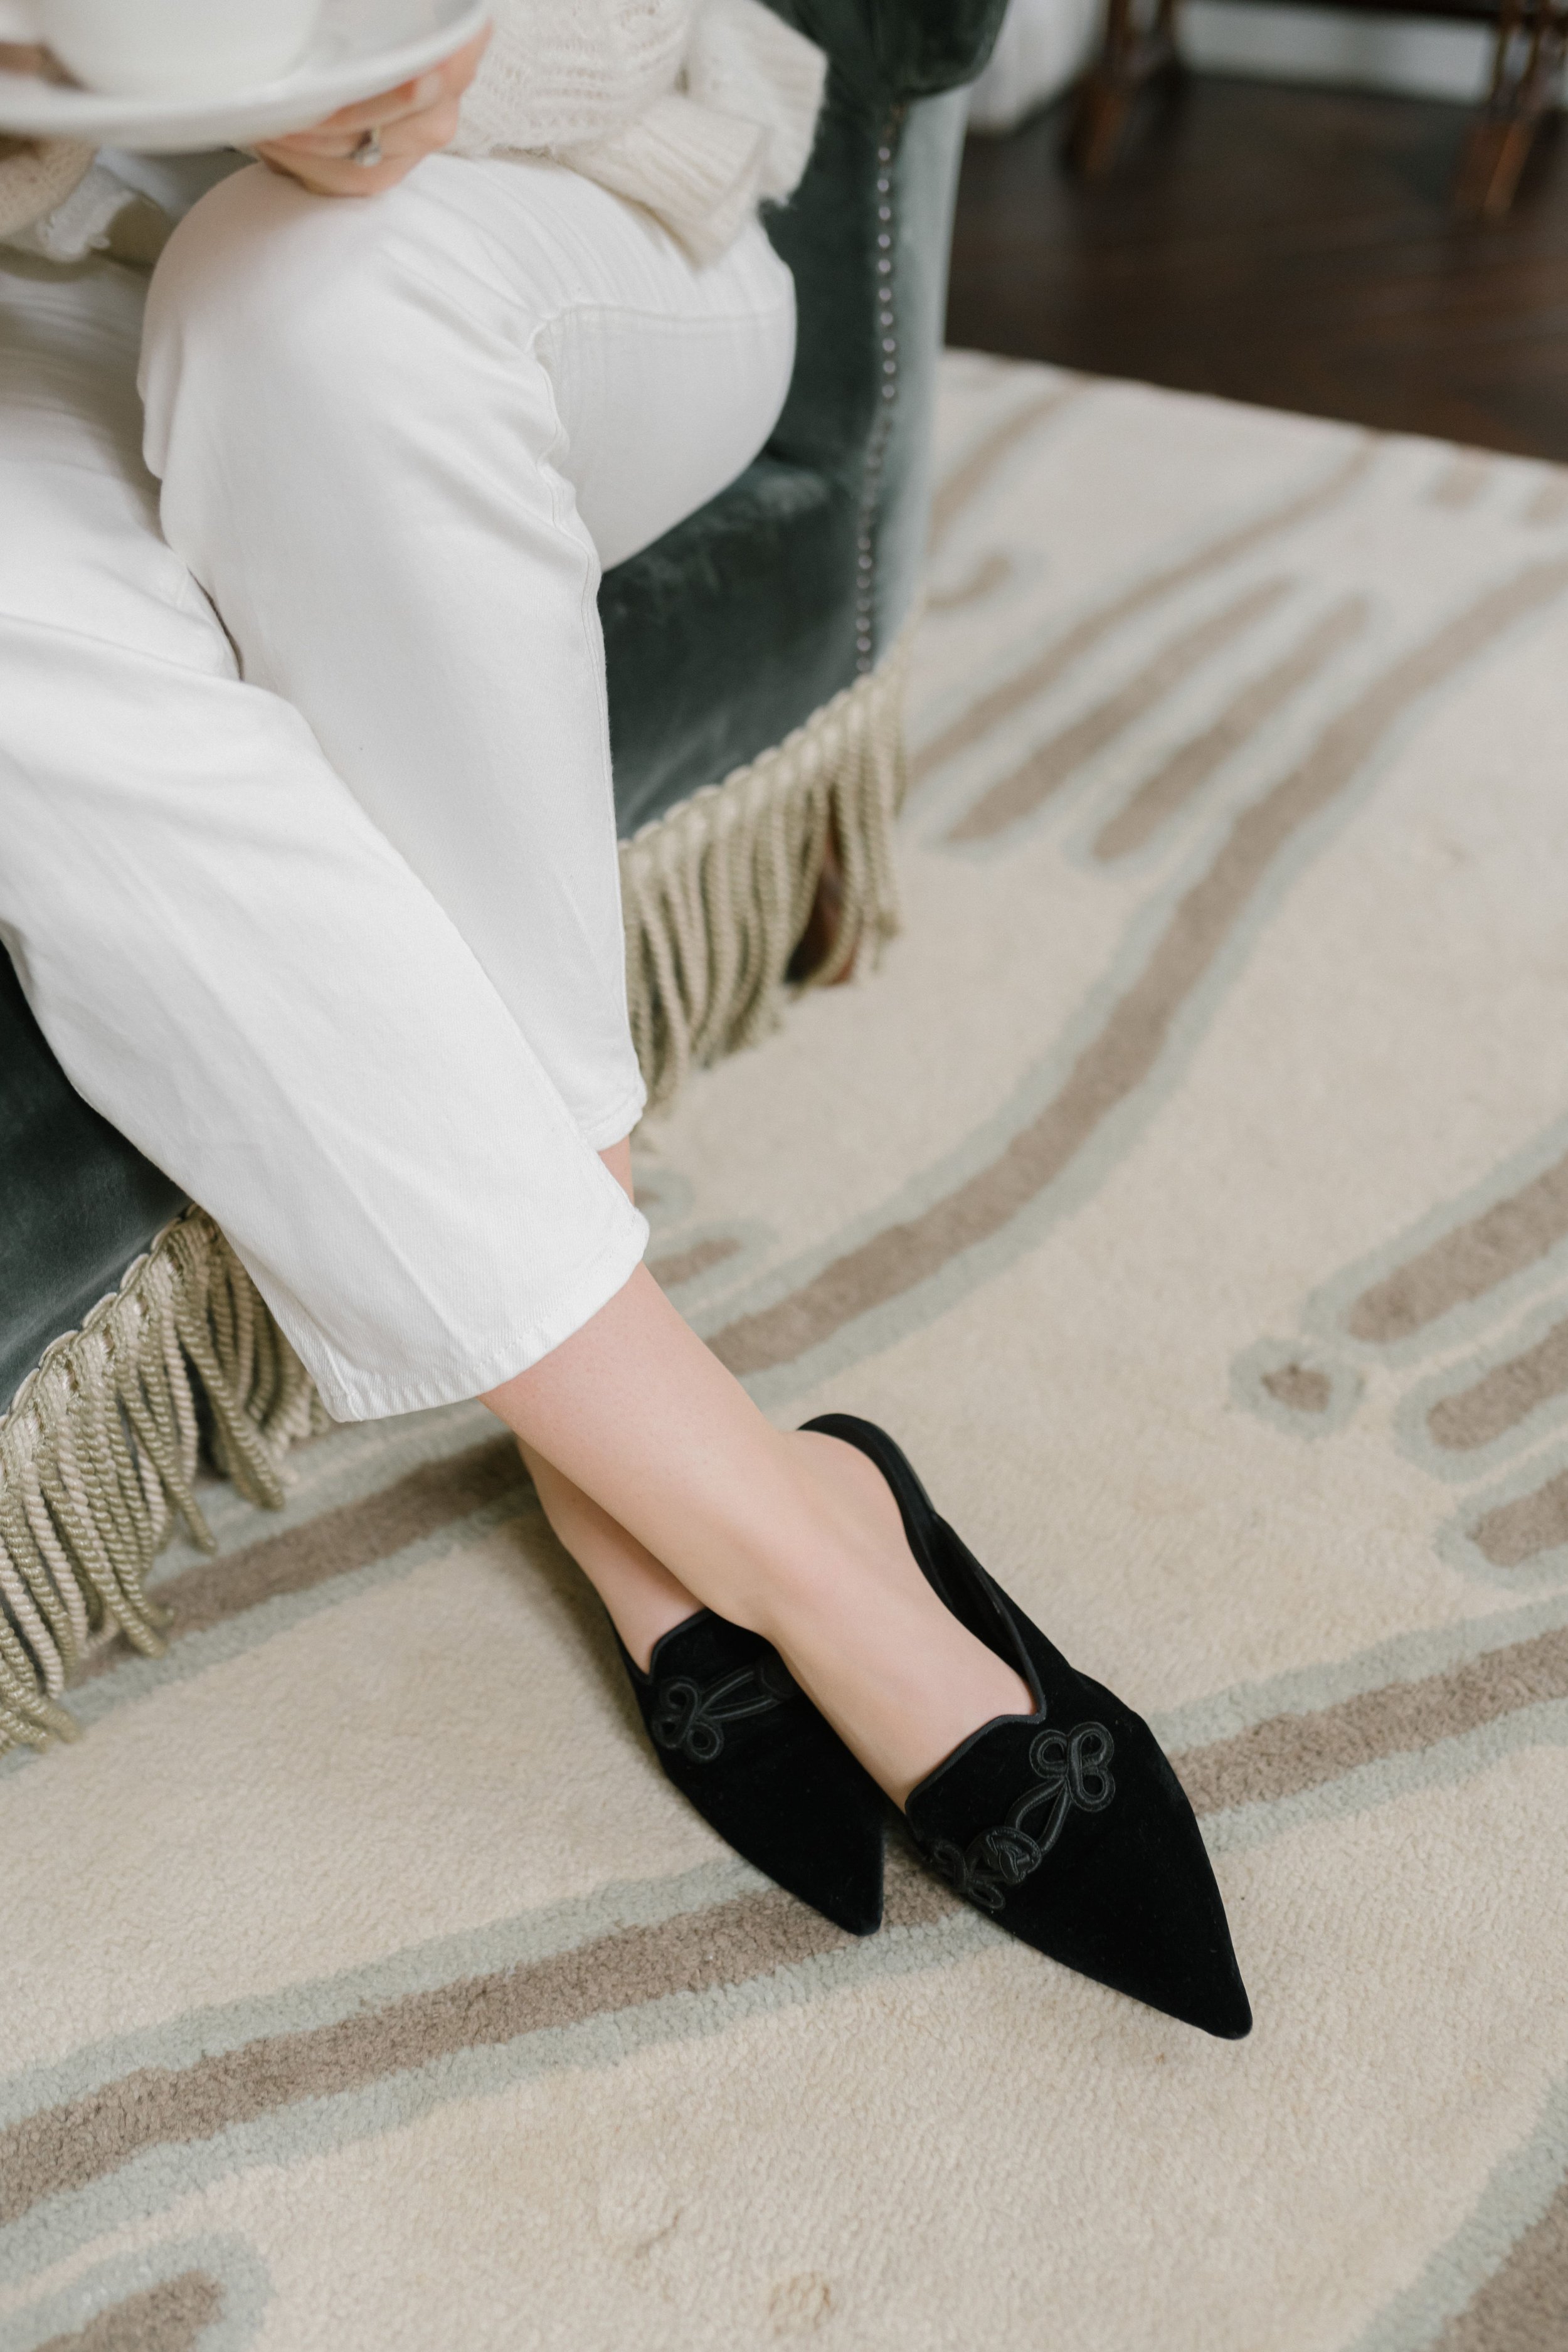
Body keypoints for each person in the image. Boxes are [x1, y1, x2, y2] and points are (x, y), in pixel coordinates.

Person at [0, 0, 1249, 2036]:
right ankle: (760, 1518)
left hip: (538, 224)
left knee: (296, 299)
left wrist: (427, 78)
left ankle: (672, 1507)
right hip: (32, 293)